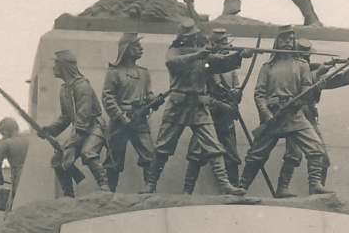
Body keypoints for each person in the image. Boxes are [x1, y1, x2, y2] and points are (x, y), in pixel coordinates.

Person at [143, 24, 251, 195]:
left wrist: (239, 55)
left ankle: (224, 184)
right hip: (178, 105)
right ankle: (150, 184)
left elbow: (220, 63)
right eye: (191, 37)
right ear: (184, 38)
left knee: (213, 147)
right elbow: (172, 64)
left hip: (198, 106)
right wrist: (198, 55)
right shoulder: (175, 51)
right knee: (163, 146)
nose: (195, 39)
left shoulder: (204, 55)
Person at [240, 25, 329, 196]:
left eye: (290, 39)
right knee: (256, 155)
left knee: (316, 149)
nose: (287, 42)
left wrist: (308, 92)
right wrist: (266, 114)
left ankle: (314, 184)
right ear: (277, 41)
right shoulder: (268, 67)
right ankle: (242, 186)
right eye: (283, 39)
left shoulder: (302, 65)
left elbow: (306, 89)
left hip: (294, 115)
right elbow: (259, 94)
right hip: (274, 115)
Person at [277, 38, 349, 198]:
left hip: (309, 117)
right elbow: (302, 81)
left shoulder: (312, 71)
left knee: (321, 157)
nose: (305, 60)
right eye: (303, 57)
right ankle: (282, 188)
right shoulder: (290, 71)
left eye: (307, 57)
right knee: (293, 154)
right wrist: (321, 71)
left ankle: (316, 189)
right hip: (295, 113)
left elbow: (337, 81)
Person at [40, 49, 109, 196]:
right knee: (58, 159)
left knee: (88, 153)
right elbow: (66, 117)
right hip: (79, 130)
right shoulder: (64, 89)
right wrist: (49, 130)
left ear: (64, 66)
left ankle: (104, 187)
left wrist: (71, 145)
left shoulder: (82, 86)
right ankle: (68, 194)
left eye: (56, 64)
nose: (53, 68)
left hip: (94, 127)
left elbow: (83, 118)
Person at [102, 33, 155, 192]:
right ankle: (110, 192)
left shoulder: (144, 73)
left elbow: (148, 93)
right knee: (113, 159)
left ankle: (149, 189)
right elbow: (108, 97)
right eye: (137, 46)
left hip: (140, 120)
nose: (141, 49)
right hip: (120, 121)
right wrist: (120, 116)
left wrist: (152, 99)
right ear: (126, 49)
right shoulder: (114, 72)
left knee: (150, 155)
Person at [203, 27, 242, 190]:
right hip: (208, 118)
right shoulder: (205, 65)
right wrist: (223, 105)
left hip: (226, 118)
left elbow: (238, 88)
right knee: (197, 155)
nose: (226, 46)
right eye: (222, 43)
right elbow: (204, 96)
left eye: (227, 42)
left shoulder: (230, 67)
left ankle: (234, 186)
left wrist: (236, 95)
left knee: (232, 155)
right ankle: (187, 190)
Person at [0, 117, 30, 210]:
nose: (2, 136)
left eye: (3, 133)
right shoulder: (30, 139)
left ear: (7, 131)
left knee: (17, 209)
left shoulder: (7, 143)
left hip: (18, 178)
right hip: (34, 178)